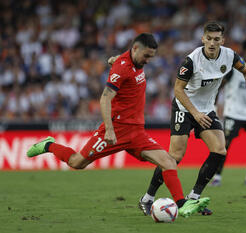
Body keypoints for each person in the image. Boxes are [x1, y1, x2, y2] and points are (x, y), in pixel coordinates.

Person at [26, 33, 210, 218]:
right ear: (136, 48)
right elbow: (105, 98)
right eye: (146, 56)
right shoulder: (122, 68)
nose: (148, 61)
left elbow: (121, 60)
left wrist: (113, 59)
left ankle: (182, 204)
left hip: (137, 132)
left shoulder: (132, 61)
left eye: (151, 57)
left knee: (168, 161)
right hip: (117, 130)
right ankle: (49, 145)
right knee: (77, 162)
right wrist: (110, 130)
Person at [133, 22, 246, 216]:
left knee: (219, 150)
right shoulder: (192, 60)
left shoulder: (230, 56)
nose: (212, 43)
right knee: (175, 157)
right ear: (203, 38)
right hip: (184, 107)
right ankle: (147, 198)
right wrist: (194, 113)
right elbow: (178, 89)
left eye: (216, 39)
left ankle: (194, 198)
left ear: (222, 40)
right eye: (209, 38)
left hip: (206, 109)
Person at [210, 38, 246, 187]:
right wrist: (214, 107)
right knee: (225, 145)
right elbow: (219, 86)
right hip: (233, 112)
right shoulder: (235, 67)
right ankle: (216, 177)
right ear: (245, 51)